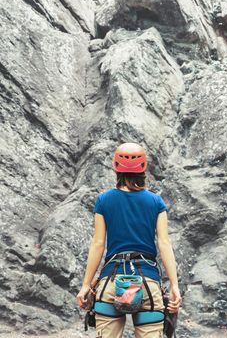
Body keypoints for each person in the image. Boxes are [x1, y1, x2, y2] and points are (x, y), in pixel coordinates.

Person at [76, 142, 182, 338]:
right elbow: (164, 243)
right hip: (148, 283)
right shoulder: (156, 202)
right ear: (144, 168)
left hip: (111, 281)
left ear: (116, 167)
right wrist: (174, 286)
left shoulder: (104, 200)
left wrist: (86, 285)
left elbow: (98, 244)